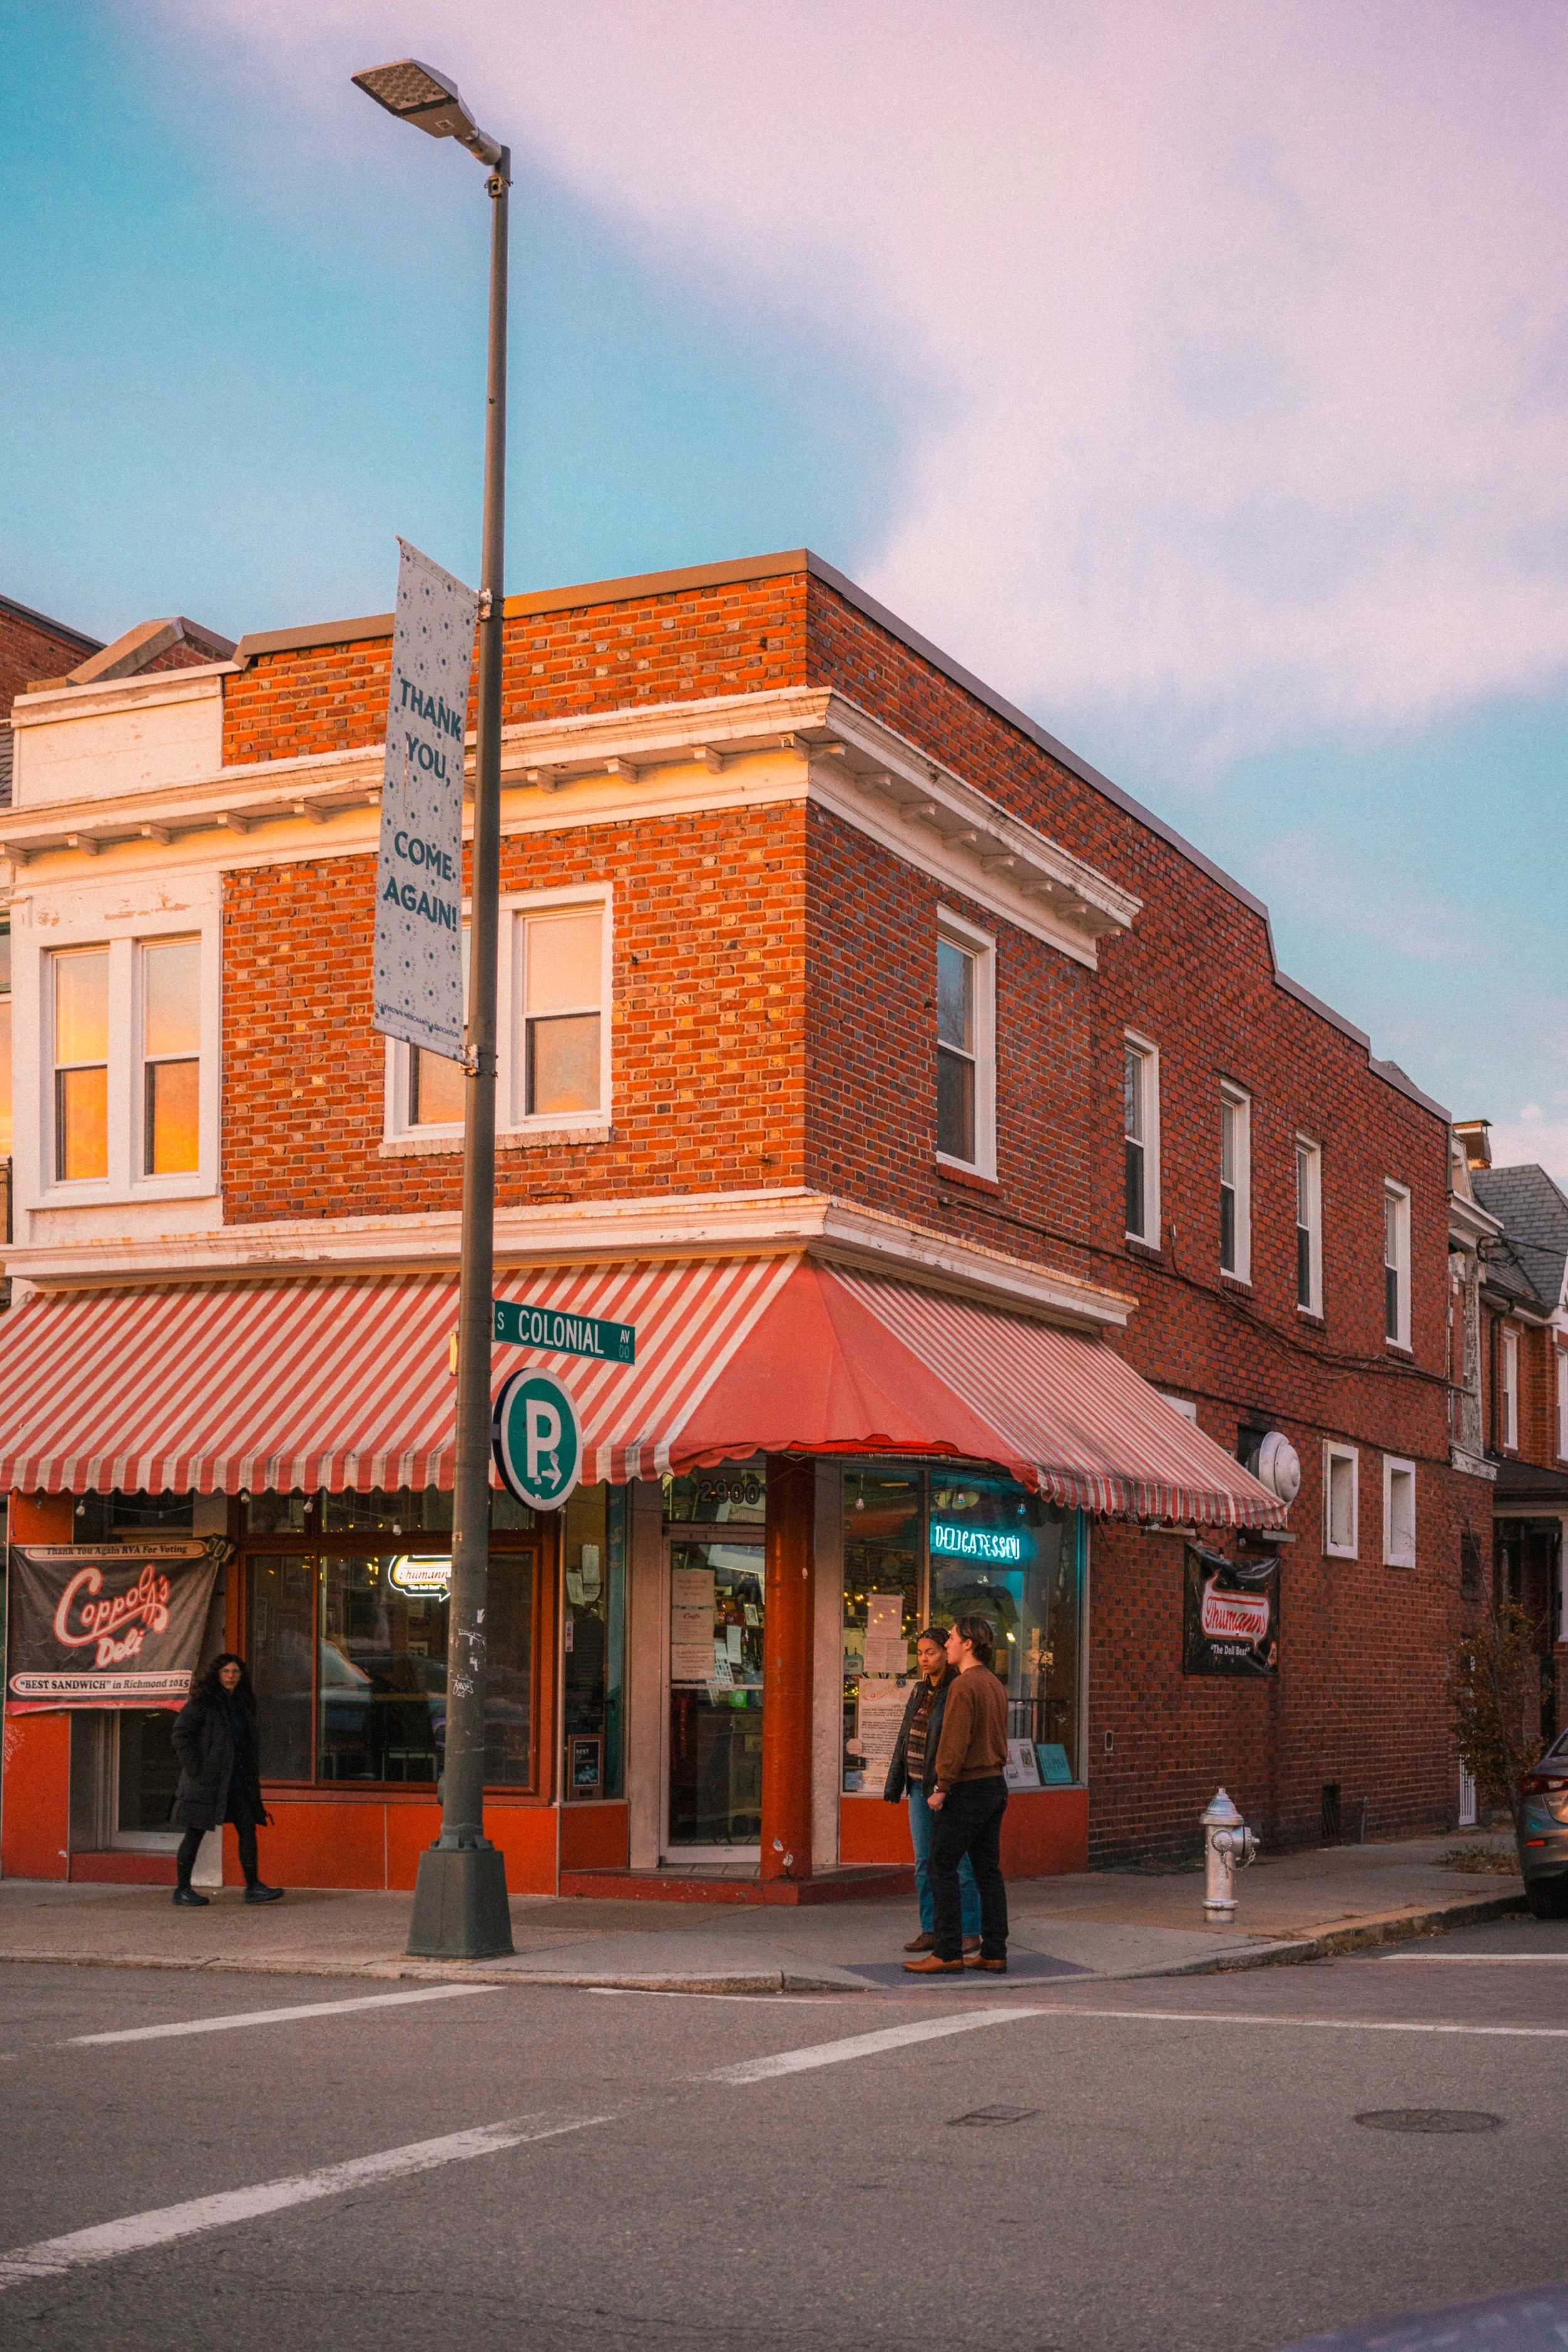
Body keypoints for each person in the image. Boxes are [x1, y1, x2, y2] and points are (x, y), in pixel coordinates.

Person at [904, 1614, 1009, 1974]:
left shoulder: (964, 1686)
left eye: (950, 1638)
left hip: (968, 1787)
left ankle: (947, 1950)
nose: (946, 1643)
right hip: (995, 1784)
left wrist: (941, 1786)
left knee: (941, 1864)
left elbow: (954, 1740)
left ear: (968, 1644)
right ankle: (994, 1951)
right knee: (987, 1871)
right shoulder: (993, 1683)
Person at [882, 1629, 981, 1956]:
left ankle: (969, 1930)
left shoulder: (956, 1689)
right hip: (917, 1785)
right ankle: (931, 1928)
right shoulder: (919, 1691)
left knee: (959, 1862)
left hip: (945, 1787)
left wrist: (945, 1783)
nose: (924, 1659)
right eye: (921, 1652)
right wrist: (897, 1780)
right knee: (923, 1861)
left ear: (947, 1653)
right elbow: (906, 1736)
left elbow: (955, 1740)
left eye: (932, 1652)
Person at [171, 1653, 284, 1907]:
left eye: (235, 1672)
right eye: (226, 1672)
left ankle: (253, 1886)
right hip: (207, 1782)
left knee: (247, 1829)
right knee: (195, 1833)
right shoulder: (203, 1703)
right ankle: (182, 1889)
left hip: (237, 1781)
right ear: (217, 1675)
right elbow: (181, 1735)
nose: (231, 1676)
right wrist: (197, 1768)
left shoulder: (242, 1704)